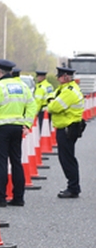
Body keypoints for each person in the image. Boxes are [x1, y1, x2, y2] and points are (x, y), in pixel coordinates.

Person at [0, 59, 38, 207]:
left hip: (1, 130)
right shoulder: (22, 86)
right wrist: (27, 124)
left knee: (1, 164)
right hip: (17, 129)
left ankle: (1, 197)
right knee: (16, 162)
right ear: (11, 72)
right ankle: (18, 197)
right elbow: (32, 105)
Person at [47, 66, 85, 199]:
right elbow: (51, 97)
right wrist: (51, 101)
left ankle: (73, 187)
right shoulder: (65, 88)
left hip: (68, 128)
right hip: (68, 127)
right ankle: (73, 186)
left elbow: (54, 107)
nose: (57, 78)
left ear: (66, 77)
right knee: (67, 157)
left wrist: (51, 103)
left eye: (59, 76)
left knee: (67, 158)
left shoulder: (69, 91)